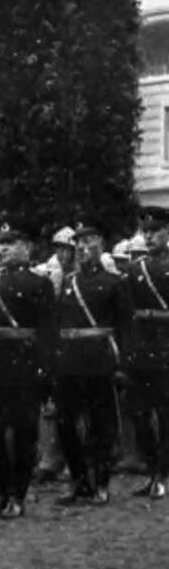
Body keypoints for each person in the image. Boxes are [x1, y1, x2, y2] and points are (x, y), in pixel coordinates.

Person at [0, 220, 55, 519]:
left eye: (9, 243)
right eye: (0, 244)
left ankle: (18, 496)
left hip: (25, 366)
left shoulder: (40, 284)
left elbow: (48, 332)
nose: (2, 249)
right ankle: (3, 492)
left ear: (27, 247)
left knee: (24, 433)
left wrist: (45, 370)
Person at [53, 220, 131, 506]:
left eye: (90, 242)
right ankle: (79, 480)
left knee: (102, 425)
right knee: (65, 424)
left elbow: (125, 327)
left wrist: (122, 366)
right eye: (79, 244)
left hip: (100, 360)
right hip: (69, 361)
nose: (83, 248)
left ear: (101, 246)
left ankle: (101, 482)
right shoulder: (68, 282)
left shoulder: (114, 283)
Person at [124, 208, 169, 499]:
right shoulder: (134, 270)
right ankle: (154, 469)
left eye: (156, 231)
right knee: (138, 413)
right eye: (146, 232)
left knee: (166, 415)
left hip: (167, 347)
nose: (150, 237)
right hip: (141, 349)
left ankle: (161, 474)